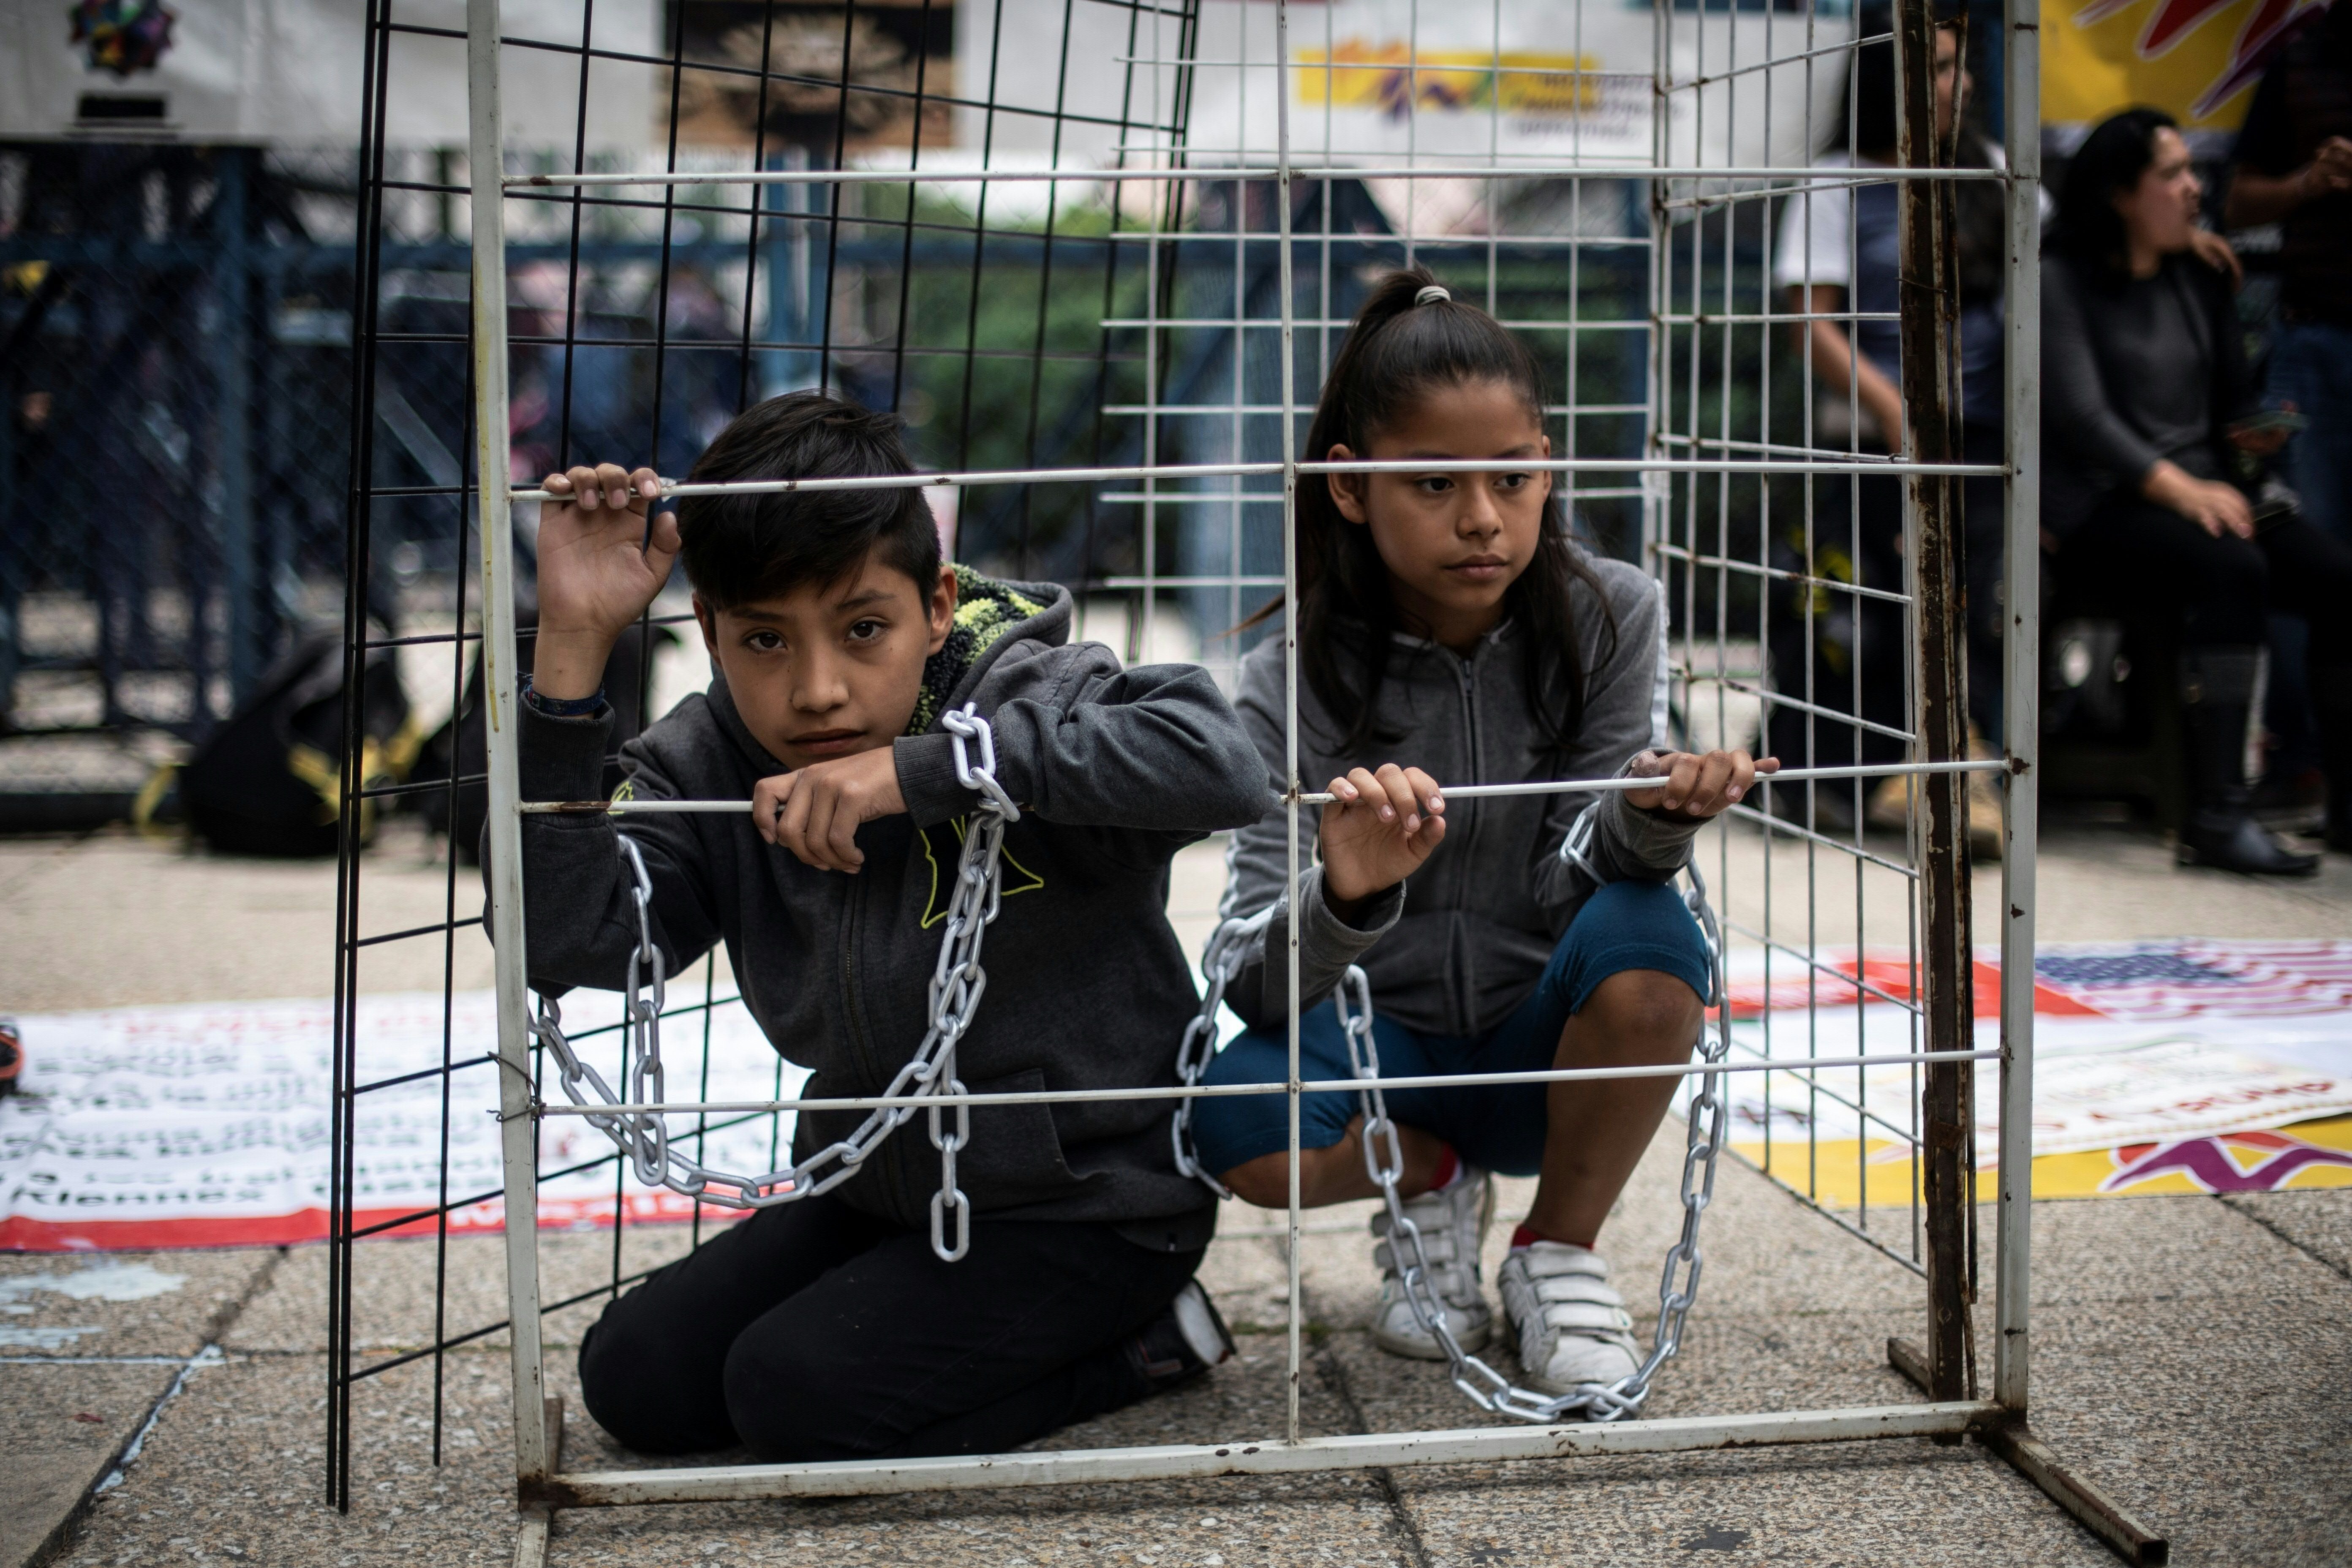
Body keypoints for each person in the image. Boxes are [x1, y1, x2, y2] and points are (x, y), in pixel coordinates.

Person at [509, 390, 1272, 1462]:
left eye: (864, 628)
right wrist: (573, 654)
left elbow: (1224, 763)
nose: (818, 691)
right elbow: (570, 940)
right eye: (765, 640)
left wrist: (932, 772)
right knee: (633, 1379)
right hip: (877, 1183)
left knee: (796, 1402)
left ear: (939, 603)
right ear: (713, 635)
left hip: (1093, 1205)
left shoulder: (1025, 687)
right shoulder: (709, 757)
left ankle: (1151, 1341)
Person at [1189, 270, 1772, 1402]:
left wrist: (1645, 820)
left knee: (1654, 936)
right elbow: (1246, 980)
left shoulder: (1613, 616)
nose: (1482, 517)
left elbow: (1579, 888)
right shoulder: (1284, 682)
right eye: (1434, 482)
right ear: (1350, 491)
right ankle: (1434, 1181)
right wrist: (1348, 893)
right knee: (1235, 1124)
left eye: (1515, 476)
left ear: (1549, 464)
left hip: (1533, 1045)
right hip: (1377, 1067)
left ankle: (1556, 1247)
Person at [2044, 108, 2352, 871]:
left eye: (2193, 171)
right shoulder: (2059, 278)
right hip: (2101, 505)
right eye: (2173, 174)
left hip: (2205, 492)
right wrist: (2185, 491)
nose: (2194, 189)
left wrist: (2256, 442)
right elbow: (2083, 419)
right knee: (2233, 567)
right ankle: (2218, 812)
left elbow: (2227, 407)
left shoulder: (2201, 272)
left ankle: (2346, 807)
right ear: (2122, 194)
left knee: (2337, 579)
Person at [1769, 9, 2010, 847]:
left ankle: (1955, 768)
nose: (1965, 85)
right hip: (1867, 440)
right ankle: (1841, 769)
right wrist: (1896, 411)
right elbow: (1813, 325)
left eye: (1961, 67)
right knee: (1852, 606)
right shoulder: (1837, 180)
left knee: (1980, 601)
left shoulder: (1992, 175)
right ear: (1890, 83)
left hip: (1984, 439)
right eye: (1941, 69)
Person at [2223, 0, 2352, 834]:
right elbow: (2236, 200)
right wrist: (2314, 181)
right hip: (2319, 337)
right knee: (2315, 555)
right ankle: (2305, 760)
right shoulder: (2305, 59)